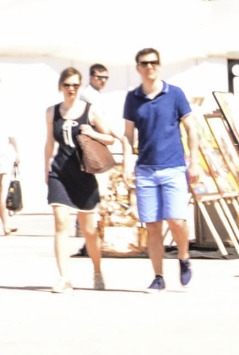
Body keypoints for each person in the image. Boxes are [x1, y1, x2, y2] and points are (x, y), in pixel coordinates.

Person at [122, 47, 202, 293]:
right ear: (138, 68)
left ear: (159, 65)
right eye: (144, 63)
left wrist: (195, 161)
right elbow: (127, 135)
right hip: (145, 169)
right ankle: (158, 276)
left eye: (154, 62)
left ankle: (184, 257)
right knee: (153, 226)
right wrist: (127, 164)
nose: (150, 67)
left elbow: (191, 128)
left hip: (174, 167)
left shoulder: (174, 94)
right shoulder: (132, 98)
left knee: (176, 220)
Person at [44, 67, 114, 292]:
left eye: (75, 85)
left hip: (83, 174)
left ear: (80, 86)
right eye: (67, 85)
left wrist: (92, 133)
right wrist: (46, 167)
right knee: (61, 222)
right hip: (60, 173)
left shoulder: (89, 110)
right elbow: (49, 142)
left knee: (89, 229)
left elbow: (110, 138)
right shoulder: (51, 112)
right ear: (61, 87)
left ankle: (97, 270)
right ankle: (64, 277)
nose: (71, 89)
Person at [0, 78, 20, 236]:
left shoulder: (4, 108)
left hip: (2, 155)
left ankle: (6, 224)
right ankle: (6, 224)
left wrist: (17, 152)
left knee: (1, 189)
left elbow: (11, 134)